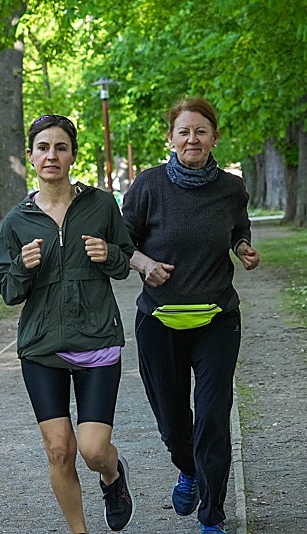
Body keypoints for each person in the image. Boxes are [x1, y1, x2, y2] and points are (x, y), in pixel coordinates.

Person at [120, 97, 260, 534]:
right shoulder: (148, 186)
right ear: (171, 138)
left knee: (214, 417)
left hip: (217, 318)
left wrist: (242, 248)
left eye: (201, 131)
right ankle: (188, 469)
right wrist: (145, 265)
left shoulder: (231, 188)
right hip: (159, 320)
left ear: (215, 138)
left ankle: (213, 516)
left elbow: (238, 227)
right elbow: (123, 242)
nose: (192, 139)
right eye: (184, 131)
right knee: (173, 423)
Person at [0, 114, 136, 534]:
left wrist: (107, 253)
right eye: (43, 148)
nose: (51, 155)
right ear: (31, 157)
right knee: (59, 450)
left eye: (60, 147)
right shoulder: (16, 222)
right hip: (41, 347)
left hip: (97, 341)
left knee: (92, 451)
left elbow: (125, 261)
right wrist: (21, 267)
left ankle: (112, 475)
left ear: (73, 155)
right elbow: (7, 290)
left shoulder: (102, 204)